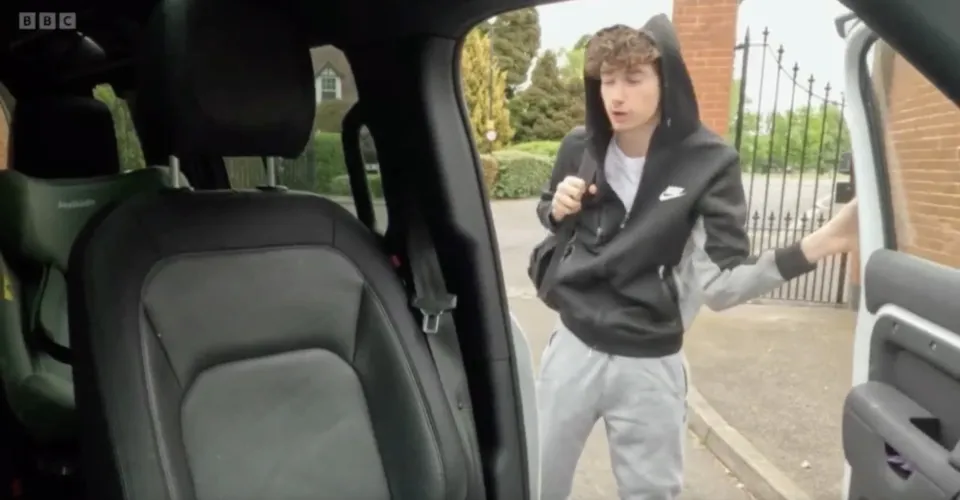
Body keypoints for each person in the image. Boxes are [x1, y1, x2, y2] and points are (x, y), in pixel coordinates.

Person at [534, 15, 858, 500]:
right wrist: (556, 208)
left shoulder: (709, 162)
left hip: (649, 362)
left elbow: (722, 284)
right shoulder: (579, 146)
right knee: (535, 481)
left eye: (633, 79)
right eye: (607, 80)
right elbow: (550, 213)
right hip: (572, 347)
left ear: (666, 82)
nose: (616, 96)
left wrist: (825, 242)